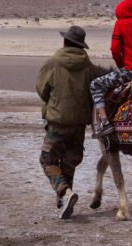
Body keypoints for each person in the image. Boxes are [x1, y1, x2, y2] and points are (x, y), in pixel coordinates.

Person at [36, 25, 110, 219]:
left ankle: (63, 191)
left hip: (57, 123)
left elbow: (42, 91)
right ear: (81, 46)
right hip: (79, 124)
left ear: (65, 41)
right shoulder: (90, 68)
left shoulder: (52, 64)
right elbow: (98, 89)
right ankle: (64, 203)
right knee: (69, 162)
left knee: (47, 159)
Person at [89, 0, 132, 139]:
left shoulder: (120, 24)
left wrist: (121, 66)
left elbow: (114, 49)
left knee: (95, 84)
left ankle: (104, 122)